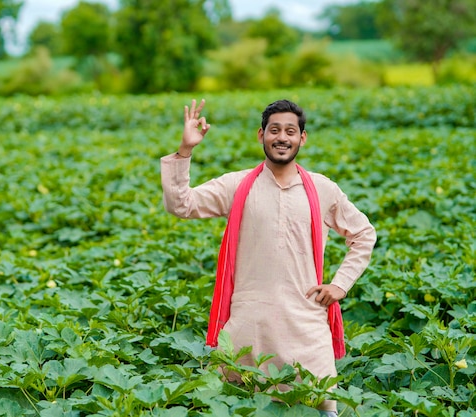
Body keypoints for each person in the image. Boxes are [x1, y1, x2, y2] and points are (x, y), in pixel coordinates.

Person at [160, 98, 376, 415]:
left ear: (302, 138)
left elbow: (363, 233)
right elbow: (181, 205)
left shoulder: (322, 189)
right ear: (260, 135)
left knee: (321, 405)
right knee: (242, 401)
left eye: (290, 131)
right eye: (274, 130)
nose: (282, 137)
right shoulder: (237, 185)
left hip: (306, 324)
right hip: (248, 325)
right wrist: (185, 151)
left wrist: (340, 284)